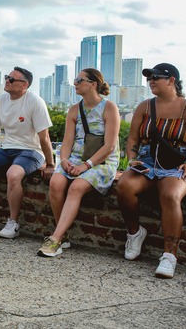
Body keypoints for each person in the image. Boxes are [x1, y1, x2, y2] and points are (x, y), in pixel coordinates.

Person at [116, 63, 186, 278]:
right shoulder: (145, 106)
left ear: (171, 81)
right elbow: (133, 137)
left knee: (170, 195)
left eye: (156, 77)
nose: (151, 80)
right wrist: (132, 159)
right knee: (124, 185)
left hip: (176, 163)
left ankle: (169, 256)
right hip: (147, 160)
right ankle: (135, 233)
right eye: (149, 78)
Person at [38, 68, 120, 257]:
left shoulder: (109, 108)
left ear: (93, 84)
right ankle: (62, 236)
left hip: (102, 161)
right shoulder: (75, 109)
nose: (75, 83)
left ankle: (55, 238)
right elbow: (67, 141)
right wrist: (64, 160)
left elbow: (110, 146)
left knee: (76, 187)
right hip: (76, 157)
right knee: (56, 182)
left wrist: (87, 165)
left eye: (79, 80)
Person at [0, 66, 54, 239]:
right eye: (7, 77)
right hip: (7, 148)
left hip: (31, 150)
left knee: (13, 175)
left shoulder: (35, 101)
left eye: (12, 79)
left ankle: (13, 222)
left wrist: (51, 164)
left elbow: (44, 137)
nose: (7, 81)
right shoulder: (1, 100)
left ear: (24, 85)